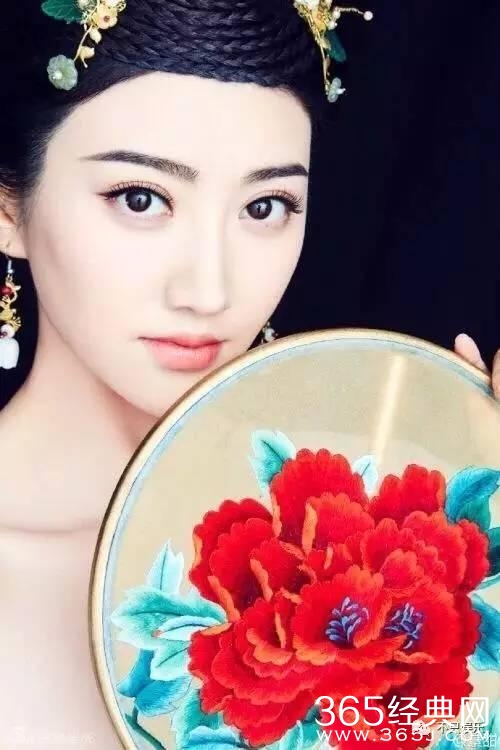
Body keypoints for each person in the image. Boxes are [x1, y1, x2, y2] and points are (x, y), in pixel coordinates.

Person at [0, 1, 497, 747]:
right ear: (9, 207)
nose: (210, 290)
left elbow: (456, 722)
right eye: (141, 199)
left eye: (265, 206)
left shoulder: (382, 527)